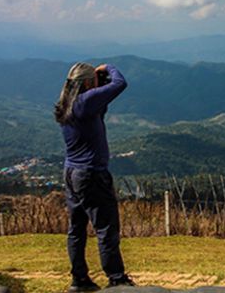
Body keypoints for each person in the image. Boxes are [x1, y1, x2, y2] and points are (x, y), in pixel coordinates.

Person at [54, 62, 135, 292]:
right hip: (91, 174)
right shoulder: (86, 102)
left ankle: (79, 280)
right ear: (89, 83)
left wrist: (98, 79)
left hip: (71, 173)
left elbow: (104, 101)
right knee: (106, 229)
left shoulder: (67, 104)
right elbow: (120, 83)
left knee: (76, 229)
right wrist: (108, 67)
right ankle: (116, 278)